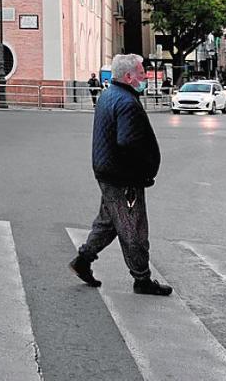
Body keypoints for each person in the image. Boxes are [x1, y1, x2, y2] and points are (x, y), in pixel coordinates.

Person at [69, 53, 172, 296]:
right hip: (123, 177)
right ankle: (142, 279)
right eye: (141, 73)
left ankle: (83, 261)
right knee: (133, 229)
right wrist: (141, 171)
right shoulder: (126, 102)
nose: (145, 77)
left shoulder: (108, 95)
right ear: (128, 77)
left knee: (108, 222)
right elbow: (128, 143)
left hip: (108, 171)